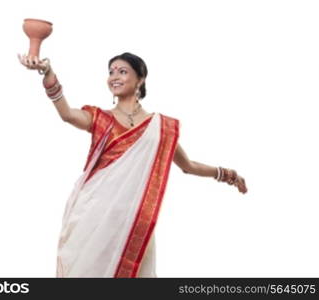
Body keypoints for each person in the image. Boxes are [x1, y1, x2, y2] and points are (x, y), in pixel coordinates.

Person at [17, 52, 248, 278]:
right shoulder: (101, 118)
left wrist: (226, 174)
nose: (114, 76)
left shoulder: (159, 127)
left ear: (140, 79)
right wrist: (48, 72)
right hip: (94, 215)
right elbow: (67, 114)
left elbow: (188, 165)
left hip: (135, 219)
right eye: (111, 72)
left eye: (122, 71)